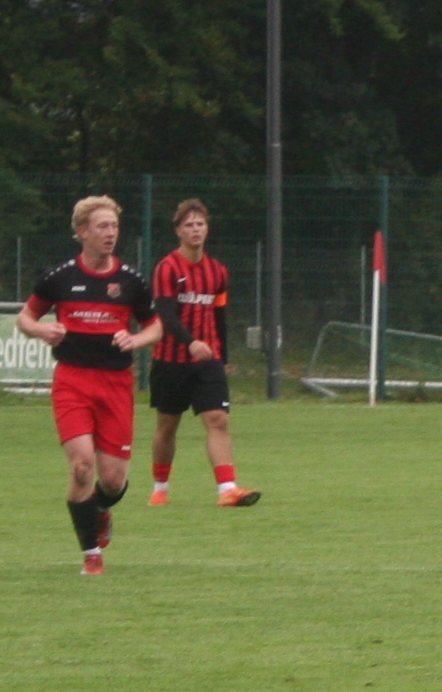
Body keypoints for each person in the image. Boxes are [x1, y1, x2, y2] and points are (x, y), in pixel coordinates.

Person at [15, 196, 162, 575]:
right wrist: (42, 330)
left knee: (112, 481)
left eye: (114, 226)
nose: (110, 233)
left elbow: (155, 327)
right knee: (82, 467)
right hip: (73, 381)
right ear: (83, 232)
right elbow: (25, 319)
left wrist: (136, 340)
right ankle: (92, 556)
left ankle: (99, 509)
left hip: (116, 385)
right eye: (102, 226)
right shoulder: (59, 278)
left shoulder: (131, 281)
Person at [147, 199, 260, 508]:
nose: (195, 230)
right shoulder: (167, 268)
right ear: (178, 231)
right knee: (167, 425)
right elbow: (166, 314)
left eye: (200, 224)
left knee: (218, 419)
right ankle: (160, 487)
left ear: (207, 228)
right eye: (189, 225)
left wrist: (223, 357)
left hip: (207, 362)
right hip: (171, 360)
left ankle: (227, 489)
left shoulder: (218, 271)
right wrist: (190, 342)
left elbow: (220, 314)